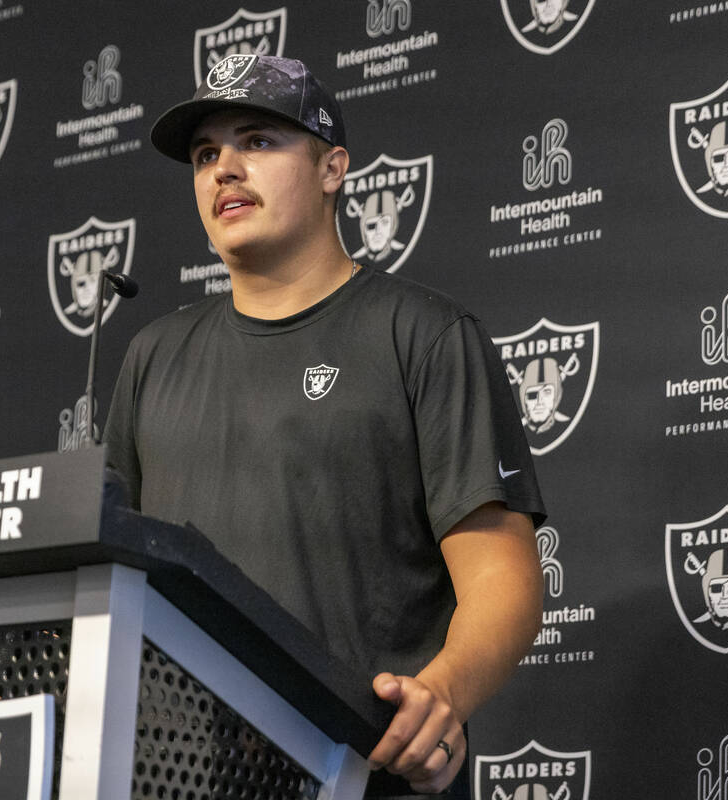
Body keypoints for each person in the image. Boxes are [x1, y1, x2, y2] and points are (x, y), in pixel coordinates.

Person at [104, 55, 546, 797]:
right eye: (207, 154)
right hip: (169, 777)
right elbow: (114, 566)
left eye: (258, 141)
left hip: (356, 771)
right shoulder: (152, 354)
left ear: (332, 168)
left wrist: (437, 699)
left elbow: (503, 578)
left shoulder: (424, 334)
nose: (225, 170)